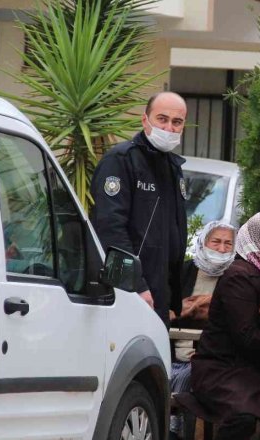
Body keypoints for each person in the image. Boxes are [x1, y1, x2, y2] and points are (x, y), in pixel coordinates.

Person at [188, 212, 260, 440]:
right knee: (243, 415)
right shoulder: (238, 277)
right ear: (259, 238)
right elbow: (247, 337)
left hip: (253, 369)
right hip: (221, 369)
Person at [89, 91, 189, 326]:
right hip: (132, 294)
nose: (169, 128)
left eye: (177, 122)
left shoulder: (174, 169)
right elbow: (110, 228)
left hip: (159, 296)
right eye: (162, 119)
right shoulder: (121, 161)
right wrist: (136, 286)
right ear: (145, 120)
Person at [168, 220, 236, 440]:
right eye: (216, 242)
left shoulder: (235, 276)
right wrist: (191, 307)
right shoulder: (185, 271)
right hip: (172, 352)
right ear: (204, 242)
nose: (222, 249)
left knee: (191, 376)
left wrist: (196, 306)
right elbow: (170, 310)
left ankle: (177, 429)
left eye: (228, 243)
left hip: (209, 358)